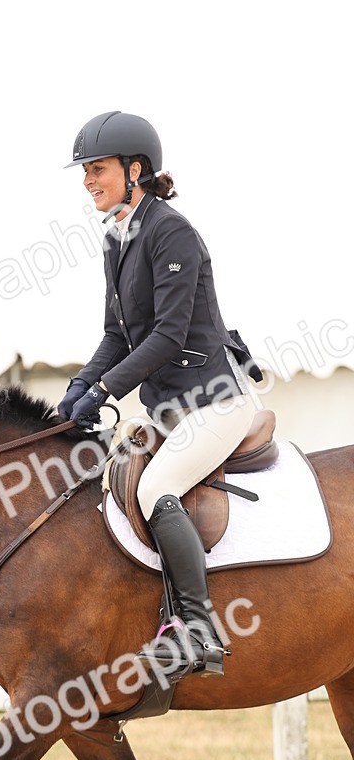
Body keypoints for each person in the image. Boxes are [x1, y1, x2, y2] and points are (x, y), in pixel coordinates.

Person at [57, 110, 263, 678]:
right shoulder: (116, 239)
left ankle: (198, 630)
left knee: (156, 487)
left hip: (216, 399)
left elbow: (168, 335)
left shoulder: (170, 230)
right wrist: (79, 385)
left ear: (135, 169)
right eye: (86, 171)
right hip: (170, 409)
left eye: (96, 169)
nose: (87, 181)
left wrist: (104, 388)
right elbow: (116, 335)